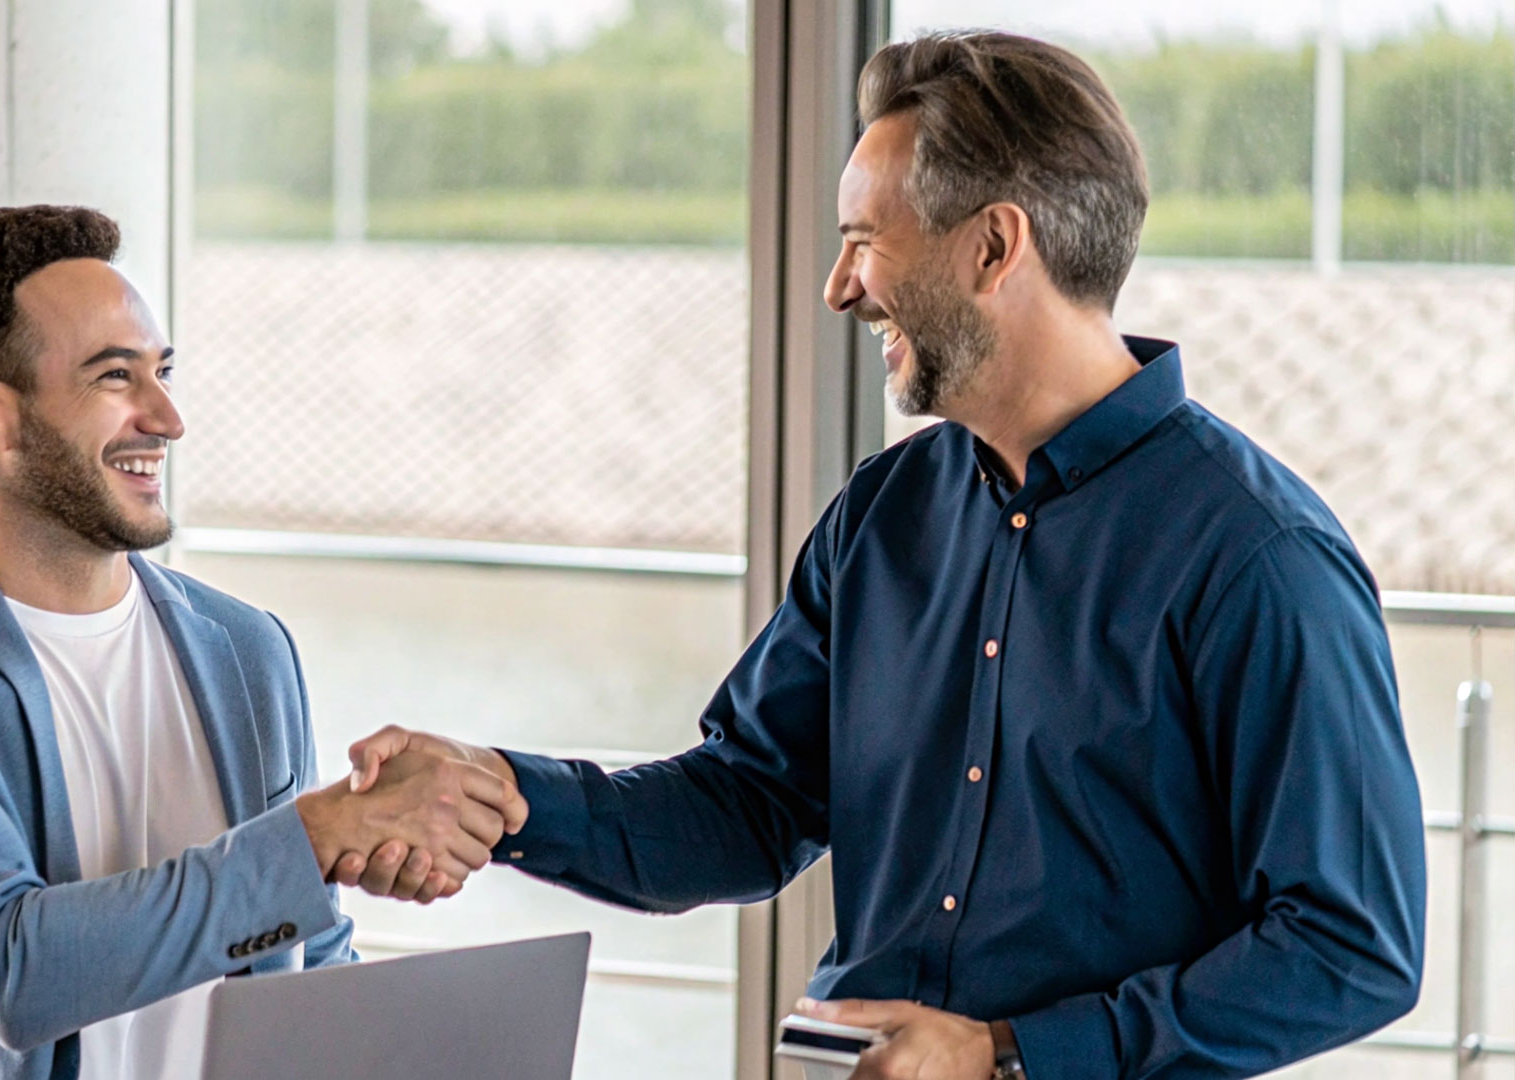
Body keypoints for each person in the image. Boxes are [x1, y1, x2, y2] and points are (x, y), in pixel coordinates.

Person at [348, 30, 1426, 1080]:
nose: (838, 287)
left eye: (865, 238)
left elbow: (1349, 946)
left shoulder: (1258, 557)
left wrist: (1011, 1057)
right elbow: (751, 803)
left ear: (994, 247)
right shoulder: (881, 516)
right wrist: (505, 797)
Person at [0, 205, 525, 1079]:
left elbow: (309, 956)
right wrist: (319, 833)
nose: (167, 417)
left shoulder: (247, 647)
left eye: (162, 371)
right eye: (113, 377)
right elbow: (12, 970)